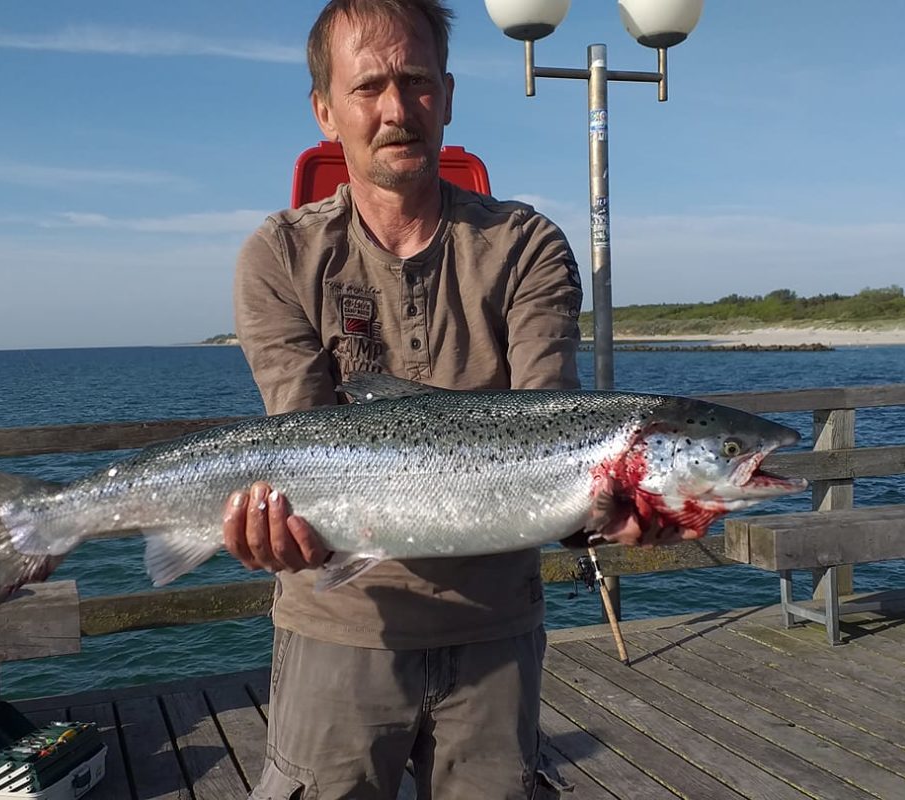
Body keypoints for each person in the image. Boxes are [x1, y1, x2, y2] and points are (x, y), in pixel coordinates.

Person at [224, 2, 696, 797]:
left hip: (496, 632)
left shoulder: (526, 244)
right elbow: (301, 439)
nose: (395, 109)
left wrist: (614, 507)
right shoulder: (280, 253)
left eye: (414, 81)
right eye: (368, 85)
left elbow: (554, 420)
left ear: (445, 93)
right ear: (324, 108)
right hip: (340, 626)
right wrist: (270, 526)